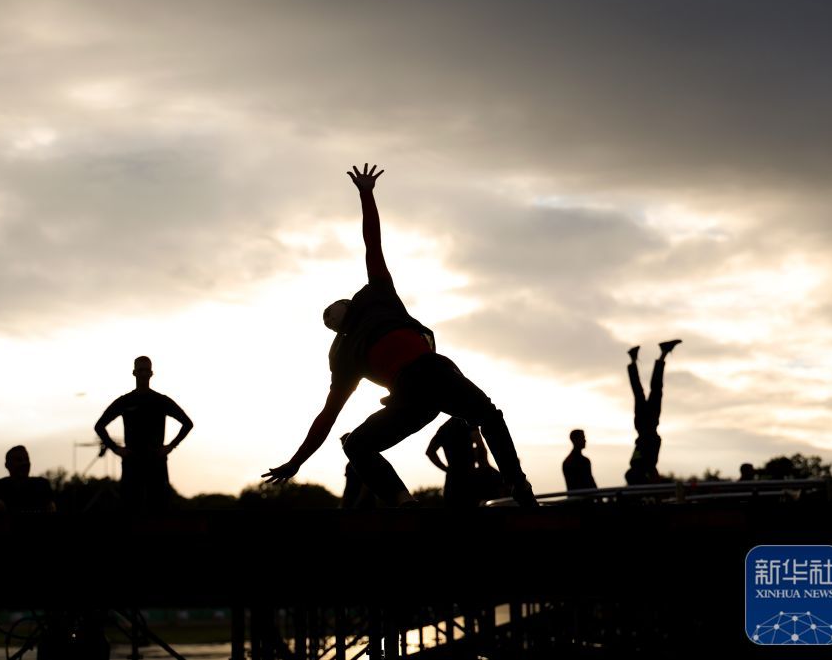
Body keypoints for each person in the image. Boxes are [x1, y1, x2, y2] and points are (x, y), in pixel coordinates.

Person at [262, 164, 536, 507]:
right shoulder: (346, 349)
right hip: (415, 391)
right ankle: (408, 502)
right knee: (358, 445)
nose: (331, 318)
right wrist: (297, 461)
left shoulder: (375, 299)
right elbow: (327, 416)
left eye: (332, 312)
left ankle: (513, 485)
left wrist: (366, 195)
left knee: (485, 415)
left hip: (425, 381)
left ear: (348, 307)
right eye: (329, 321)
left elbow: (372, 244)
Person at [95, 356, 194, 512]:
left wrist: (170, 446)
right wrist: (116, 449)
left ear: (151, 373)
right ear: (134, 373)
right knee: (130, 509)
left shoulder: (161, 401)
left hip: (156, 462)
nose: (143, 374)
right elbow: (99, 426)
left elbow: (187, 423)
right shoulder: (125, 401)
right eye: (140, 370)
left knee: (159, 509)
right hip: (132, 463)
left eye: (146, 370)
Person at [624, 340, 681, 485]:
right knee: (644, 392)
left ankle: (661, 354)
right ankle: (656, 355)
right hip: (644, 425)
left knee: (651, 391)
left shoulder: (640, 463)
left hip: (647, 425)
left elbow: (648, 465)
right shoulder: (638, 461)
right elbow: (648, 465)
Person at [426, 417, 495, 508]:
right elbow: (480, 445)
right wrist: (484, 467)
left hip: (452, 480)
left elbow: (430, 452)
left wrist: (447, 470)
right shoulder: (468, 422)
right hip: (469, 477)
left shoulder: (444, 428)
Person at [0, 445, 56, 512]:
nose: (24, 463)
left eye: (27, 459)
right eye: (19, 460)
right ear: (7, 465)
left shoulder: (41, 485)